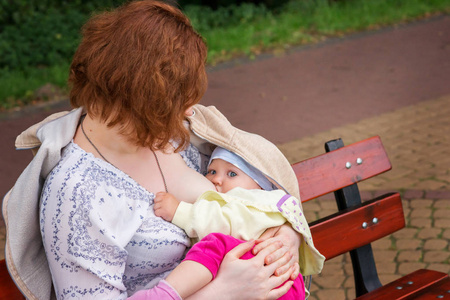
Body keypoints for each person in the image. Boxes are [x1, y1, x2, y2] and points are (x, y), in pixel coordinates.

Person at [2, 1, 304, 299]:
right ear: (144, 97)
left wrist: (286, 237)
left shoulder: (168, 135)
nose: (188, 111)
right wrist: (224, 291)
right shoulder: (76, 192)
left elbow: (246, 201)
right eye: (179, 99)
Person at [146, 147, 324, 299]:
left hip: (269, 276)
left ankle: (166, 293)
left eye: (232, 174)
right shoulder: (275, 208)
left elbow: (224, 221)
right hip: (287, 285)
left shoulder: (255, 202)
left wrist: (179, 211)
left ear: (260, 185)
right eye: (212, 171)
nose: (216, 179)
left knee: (214, 245)